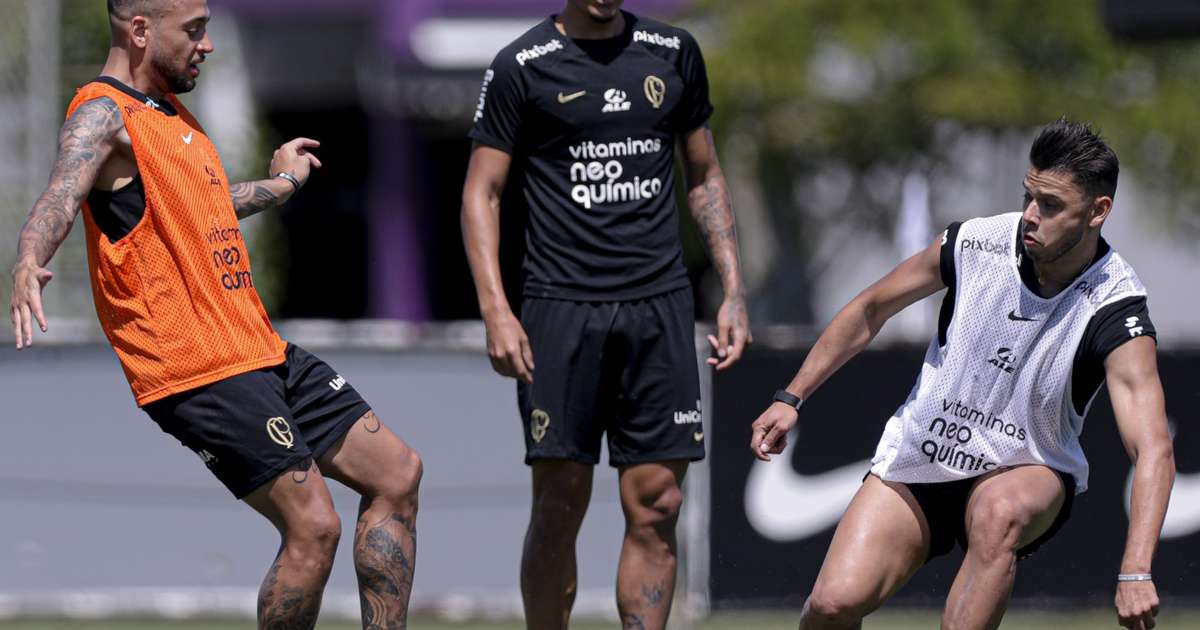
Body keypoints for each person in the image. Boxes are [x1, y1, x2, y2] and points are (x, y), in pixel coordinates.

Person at [8, 1, 421, 628]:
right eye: (194, 31)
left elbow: (201, 209)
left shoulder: (173, 116)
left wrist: (282, 186)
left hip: (255, 347)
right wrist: (29, 260)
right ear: (140, 30)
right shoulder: (101, 113)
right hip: (197, 366)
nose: (207, 45)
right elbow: (60, 194)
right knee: (314, 527)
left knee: (397, 472)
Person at [749, 119, 1173, 630]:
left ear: (1097, 212)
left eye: (1053, 205)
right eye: (1028, 196)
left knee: (1000, 514)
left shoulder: (1116, 305)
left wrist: (1135, 570)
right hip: (924, 452)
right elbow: (871, 308)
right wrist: (790, 397)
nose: (1031, 216)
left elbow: (1152, 449)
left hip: (1026, 466)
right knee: (832, 605)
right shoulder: (976, 243)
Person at [461, 1, 749, 628]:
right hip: (560, 309)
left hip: (660, 307)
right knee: (561, 503)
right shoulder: (521, 65)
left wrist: (732, 288)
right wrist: (496, 310)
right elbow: (482, 192)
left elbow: (703, 173)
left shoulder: (674, 54)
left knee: (658, 502)